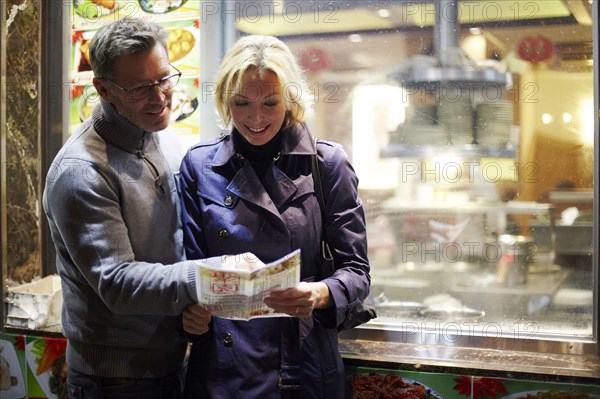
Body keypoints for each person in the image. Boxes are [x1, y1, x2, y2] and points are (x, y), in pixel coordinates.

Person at [179, 35, 371, 399]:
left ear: (291, 99)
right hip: (223, 368)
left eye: (270, 102)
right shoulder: (198, 165)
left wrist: (319, 292)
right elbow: (188, 270)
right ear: (224, 100)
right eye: (241, 103)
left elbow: (357, 273)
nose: (256, 118)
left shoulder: (327, 164)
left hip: (301, 361)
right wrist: (188, 313)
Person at [42, 18, 211, 399]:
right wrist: (208, 278)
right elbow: (117, 282)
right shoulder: (81, 171)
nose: (159, 97)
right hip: (115, 379)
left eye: (165, 78)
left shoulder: (163, 139)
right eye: (139, 88)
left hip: (171, 361)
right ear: (103, 88)